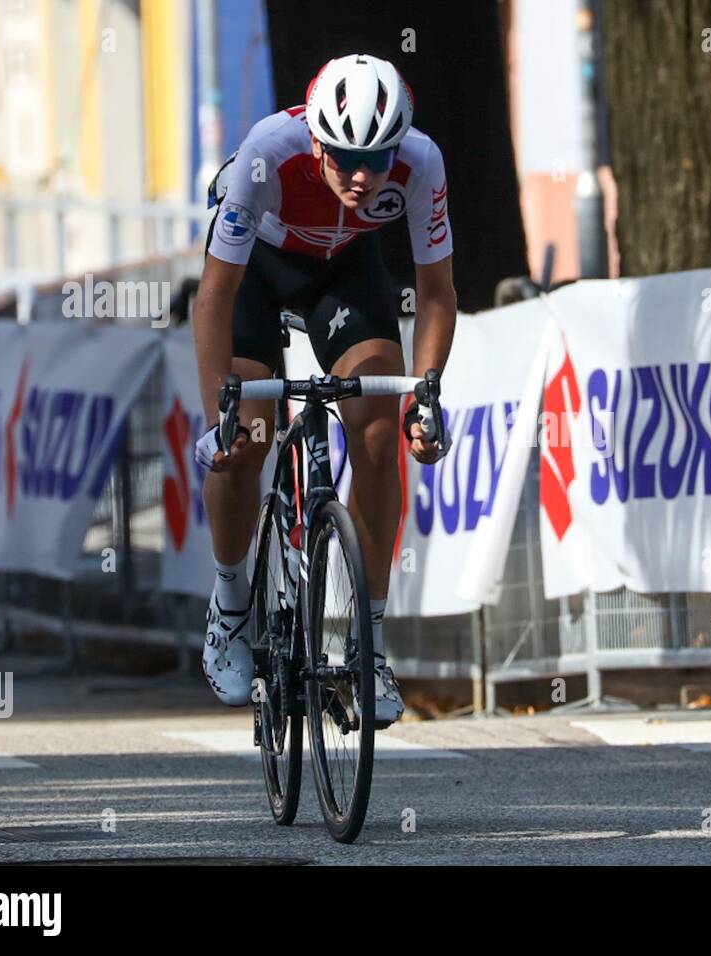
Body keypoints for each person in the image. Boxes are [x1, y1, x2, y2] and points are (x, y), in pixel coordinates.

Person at [190, 53, 456, 726]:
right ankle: (228, 606)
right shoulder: (267, 154)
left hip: (344, 270)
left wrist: (426, 398)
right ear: (315, 140)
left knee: (374, 427)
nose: (363, 177)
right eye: (344, 158)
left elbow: (437, 294)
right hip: (258, 269)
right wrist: (216, 410)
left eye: (378, 158)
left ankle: (367, 647)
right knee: (246, 438)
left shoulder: (422, 163)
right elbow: (213, 297)